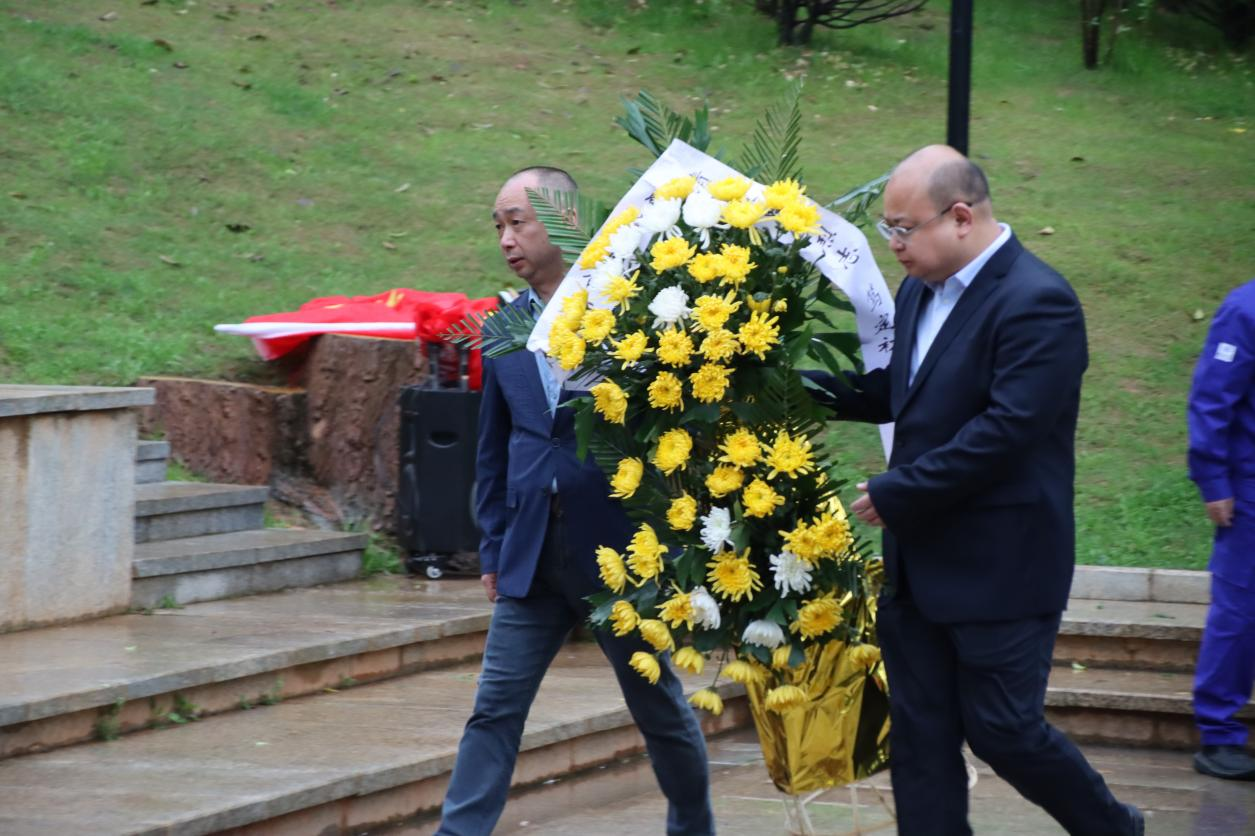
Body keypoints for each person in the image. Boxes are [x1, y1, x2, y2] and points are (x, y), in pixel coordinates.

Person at [803, 145, 1143, 835]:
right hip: (917, 566)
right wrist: (781, 386)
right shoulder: (918, 290)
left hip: (1000, 567)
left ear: (960, 217)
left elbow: (1007, 431)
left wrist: (901, 491)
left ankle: (1113, 828)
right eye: (887, 229)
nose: (893, 244)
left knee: (1003, 730)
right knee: (920, 741)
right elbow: (900, 392)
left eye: (904, 228)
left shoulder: (1038, 301)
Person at [435, 166, 714, 836]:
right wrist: (493, 547)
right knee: (494, 709)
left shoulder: (629, 314)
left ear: (564, 221)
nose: (506, 238)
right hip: (531, 553)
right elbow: (494, 450)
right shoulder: (504, 326)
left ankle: (693, 824)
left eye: (518, 222)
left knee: (656, 707)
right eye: (498, 226)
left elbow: (673, 434)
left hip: (619, 555)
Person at [1187, 278, 1255, 782]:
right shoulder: (1245, 309)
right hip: (1250, 493)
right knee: (1239, 613)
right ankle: (1219, 734)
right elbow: (1211, 398)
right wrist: (1213, 480)